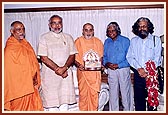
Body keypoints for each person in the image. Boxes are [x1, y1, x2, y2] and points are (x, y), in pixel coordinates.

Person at [37, 15, 77, 111]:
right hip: (50, 77)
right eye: (54, 23)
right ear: (49, 25)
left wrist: (64, 68)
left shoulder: (68, 37)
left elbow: (72, 55)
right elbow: (43, 57)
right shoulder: (44, 38)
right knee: (51, 106)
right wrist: (58, 69)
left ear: (62, 24)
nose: (57, 25)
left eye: (59, 22)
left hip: (65, 76)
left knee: (65, 104)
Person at [4, 21, 43, 111]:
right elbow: (10, 72)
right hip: (18, 89)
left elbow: (33, 62)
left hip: (31, 84)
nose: (21, 31)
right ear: (11, 31)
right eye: (18, 29)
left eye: (23, 29)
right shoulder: (10, 49)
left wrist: (35, 76)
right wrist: (28, 79)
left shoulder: (26, 44)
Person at [126, 17, 162, 111]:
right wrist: (139, 69)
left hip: (152, 76)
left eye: (144, 26)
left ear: (148, 27)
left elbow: (157, 58)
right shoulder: (134, 41)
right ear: (137, 28)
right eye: (140, 26)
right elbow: (129, 57)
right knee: (139, 102)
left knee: (152, 103)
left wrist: (147, 72)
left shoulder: (156, 40)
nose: (142, 28)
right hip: (138, 75)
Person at [103, 22, 133, 111]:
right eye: (109, 31)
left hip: (123, 69)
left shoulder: (126, 40)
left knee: (125, 93)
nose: (111, 32)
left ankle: (127, 111)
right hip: (111, 70)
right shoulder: (107, 41)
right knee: (113, 93)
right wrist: (107, 63)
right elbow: (104, 56)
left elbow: (130, 57)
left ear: (117, 31)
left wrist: (118, 65)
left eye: (113, 30)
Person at [74, 23, 104, 111]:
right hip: (83, 74)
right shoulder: (78, 41)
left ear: (93, 31)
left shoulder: (98, 42)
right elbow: (73, 58)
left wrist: (100, 65)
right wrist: (79, 65)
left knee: (94, 97)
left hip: (95, 75)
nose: (88, 32)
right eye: (86, 30)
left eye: (90, 30)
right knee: (83, 96)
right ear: (82, 31)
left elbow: (100, 57)